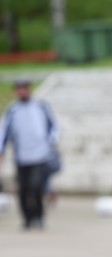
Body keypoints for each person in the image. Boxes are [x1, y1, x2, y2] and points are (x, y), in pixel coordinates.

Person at [0, 78, 60, 230]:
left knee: (36, 187)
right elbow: (4, 132)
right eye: (19, 89)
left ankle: (39, 217)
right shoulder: (12, 109)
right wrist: (2, 150)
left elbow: (53, 126)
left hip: (40, 154)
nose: (22, 91)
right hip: (21, 156)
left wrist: (51, 141)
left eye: (24, 88)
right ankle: (27, 219)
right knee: (23, 189)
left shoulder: (41, 106)